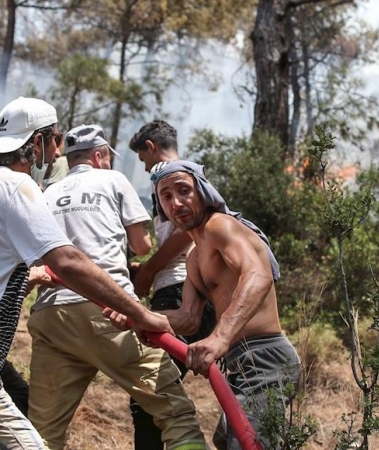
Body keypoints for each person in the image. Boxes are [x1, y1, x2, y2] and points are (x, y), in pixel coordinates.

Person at [0, 98, 174, 450]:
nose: (57, 153)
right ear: (37, 142)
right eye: (55, 140)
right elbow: (68, 261)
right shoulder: (15, 186)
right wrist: (141, 314)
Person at [27, 124, 206, 450]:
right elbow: (140, 246)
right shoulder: (112, 179)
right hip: (109, 311)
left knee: (41, 434)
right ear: (99, 156)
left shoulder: (48, 192)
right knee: (176, 415)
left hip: (51, 316)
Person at [151, 160, 300, 450]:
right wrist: (138, 315)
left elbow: (259, 275)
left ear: (203, 192)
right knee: (227, 440)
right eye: (166, 196)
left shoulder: (220, 225)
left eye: (184, 191)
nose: (176, 202)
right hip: (239, 365)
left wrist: (220, 337)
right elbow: (188, 319)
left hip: (267, 358)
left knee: (245, 445)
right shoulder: (193, 258)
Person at [126, 120, 217, 449]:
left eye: (142, 159)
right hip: (189, 288)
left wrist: (149, 270)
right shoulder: (191, 174)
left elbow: (182, 235)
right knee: (157, 391)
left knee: (149, 395)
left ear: (150, 148)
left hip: (176, 290)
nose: (145, 167)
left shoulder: (166, 174)